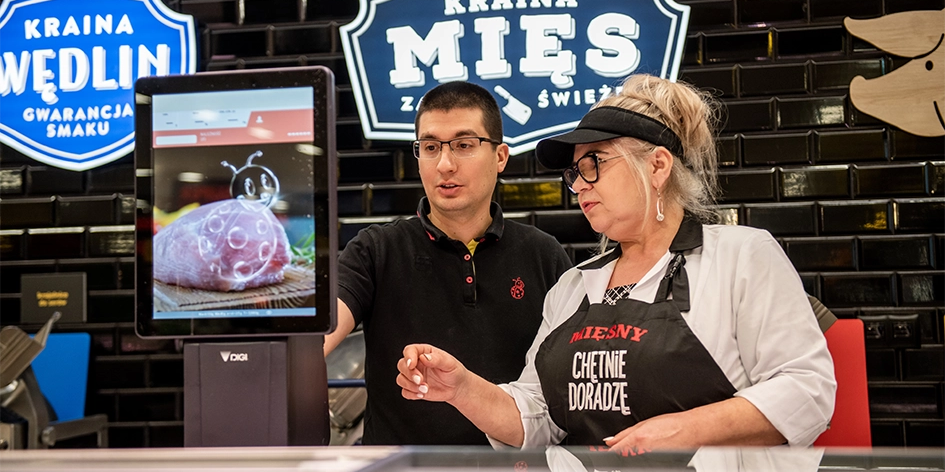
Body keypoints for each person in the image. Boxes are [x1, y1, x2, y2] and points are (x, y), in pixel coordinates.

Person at [396, 74, 836, 452]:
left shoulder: (741, 257)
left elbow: (807, 389)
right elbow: (538, 415)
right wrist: (462, 389)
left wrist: (680, 432)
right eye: (574, 173)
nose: (580, 185)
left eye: (594, 164)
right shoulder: (573, 287)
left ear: (657, 166)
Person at [324, 81, 572, 445]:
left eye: (464, 145)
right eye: (430, 147)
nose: (444, 164)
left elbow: (569, 386)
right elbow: (318, 335)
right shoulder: (375, 250)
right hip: (400, 467)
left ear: (500, 157)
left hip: (514, 464)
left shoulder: (544, 255)